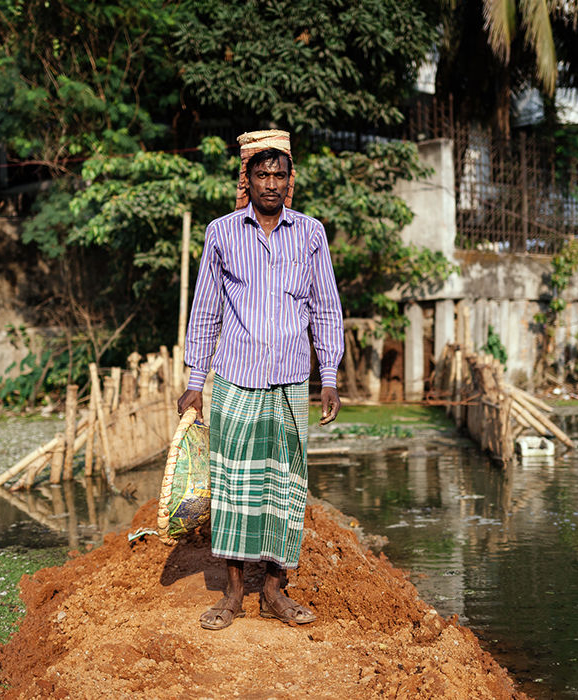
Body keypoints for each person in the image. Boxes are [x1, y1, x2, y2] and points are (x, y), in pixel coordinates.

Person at [177, 135, 344, 631]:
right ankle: (232, 594)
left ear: (289, 181)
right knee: (233, 488)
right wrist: (195, 380)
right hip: (236, 379)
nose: (270, 183)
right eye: (262, 174)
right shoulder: (222, 233)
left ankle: (273, 591)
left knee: (284, 487)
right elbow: (206, 310)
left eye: (279, 175)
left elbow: (325, 308)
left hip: (291, 382)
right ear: (246, 180)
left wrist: (329, 376)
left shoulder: (310, 233)